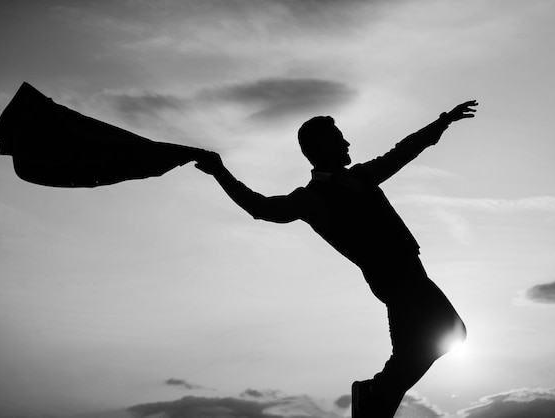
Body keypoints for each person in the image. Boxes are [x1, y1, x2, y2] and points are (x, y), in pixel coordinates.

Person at [193, 100, 478, 417]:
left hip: (411, 273)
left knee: (411, 354)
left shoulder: (361, 176)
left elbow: (403, 152)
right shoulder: (311, 198)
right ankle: (375, 392)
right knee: (451, 333)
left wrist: (442, 122)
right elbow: (261, 208)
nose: (346, 142)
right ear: (320, 147)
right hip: (394, 279)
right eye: (338, 137)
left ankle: (374, 398)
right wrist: (219, 171)